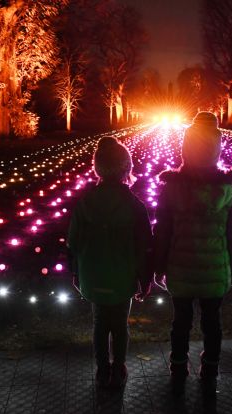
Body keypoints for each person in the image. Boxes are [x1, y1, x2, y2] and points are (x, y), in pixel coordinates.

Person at [153, 112, 232, 398]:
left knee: (180, 321)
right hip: (214, 268)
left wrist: (158, 265)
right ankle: (210, 368)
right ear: (216, 149)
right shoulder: (227, 189)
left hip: (180, 267)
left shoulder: (172, 187)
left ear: (187, 147)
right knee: (212, 321)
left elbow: (162, 230)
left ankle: (178, 366)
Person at [67, 137, 153, 389]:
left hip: (93, 274)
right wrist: (145, 278)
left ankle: (102, 368)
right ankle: (119, 366)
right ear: (126, 168)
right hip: (123, 276)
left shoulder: (85, 203)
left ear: (98, 168)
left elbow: (73, 242)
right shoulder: (134, 206)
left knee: (99, 323)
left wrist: (76, 272)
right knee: (119, 324)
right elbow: (144, 246)